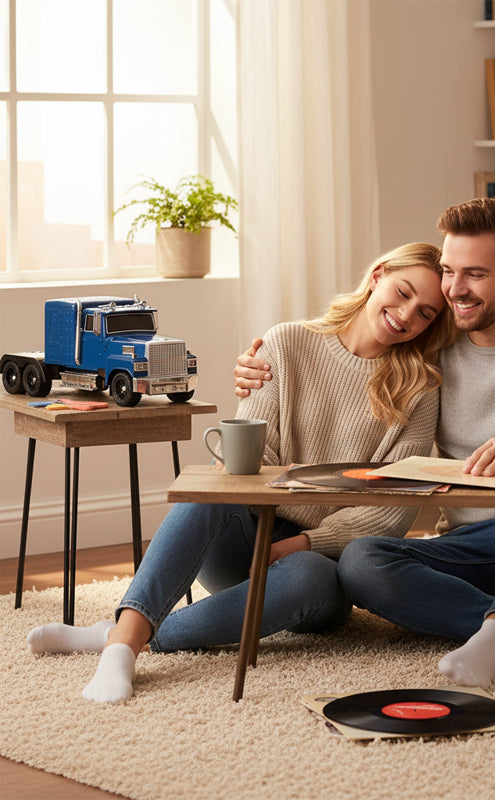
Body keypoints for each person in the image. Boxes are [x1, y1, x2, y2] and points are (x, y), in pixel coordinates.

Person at [234, 198, 495, 689]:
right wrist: (256, 372)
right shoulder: (431, 347)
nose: (454, 289)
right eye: (449, 271)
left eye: (475, 274)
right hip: (470, 551)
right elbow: (343, 364)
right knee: (362, 561)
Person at [27, 242, 457, 704]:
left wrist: (302, 543)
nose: (407, 314)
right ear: (377, 275)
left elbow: (391, 511)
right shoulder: (286, 343)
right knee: (212, 484)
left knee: (311, 575)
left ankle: (123, 633)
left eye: (426, 312)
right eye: (404, 291)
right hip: (248, 536)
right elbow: (249, 460)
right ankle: (125, 641)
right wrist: (263, 513)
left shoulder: (419, 388)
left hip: (318, 569)